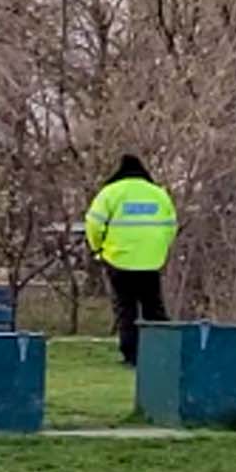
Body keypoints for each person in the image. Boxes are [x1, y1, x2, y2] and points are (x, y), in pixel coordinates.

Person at [84, 154, 178, 367]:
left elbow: (93, 224)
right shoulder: (159, 194)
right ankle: (164, 353)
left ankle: (131, 355)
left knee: (126, 308)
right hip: (152, 260)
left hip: (119, 259)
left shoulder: (110, 193)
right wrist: (159, 249)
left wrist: (97, 248)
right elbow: (171, 226)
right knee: (154, 307)